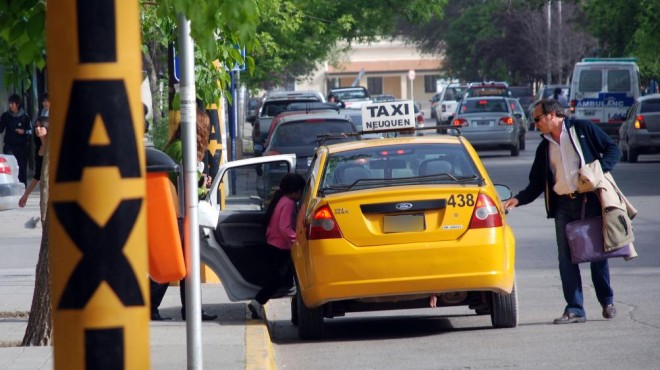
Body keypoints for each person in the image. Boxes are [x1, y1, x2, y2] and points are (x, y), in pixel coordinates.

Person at [502, 99, 619, 324]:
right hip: (563, 206)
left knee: (598, 254)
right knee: (566, 258)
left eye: (537, 119)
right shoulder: (544, 147)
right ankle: (575, 309)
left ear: (552, 115)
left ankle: (607, 301)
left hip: (590, 201)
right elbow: (536, 183)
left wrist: (598, 171)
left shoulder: (582, 129)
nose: (535, 123)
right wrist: (517, 199)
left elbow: (612, 149)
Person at [149, 109, 217, 321]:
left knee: (187, 263)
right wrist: (202, 189)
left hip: (178, 210)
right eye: (207, 128)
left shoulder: (178, 146)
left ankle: (190, 309)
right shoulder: (182, 148)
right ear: (200, 129)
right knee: (175, 261)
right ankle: (152, 305)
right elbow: (185, 184)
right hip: (178, 212)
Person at [248, 173, 306, 319]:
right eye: (300, 192)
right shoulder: (289, 203)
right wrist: (297, 241)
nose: (300, 195)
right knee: (278, 279)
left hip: (274, 243)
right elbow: (284, 227)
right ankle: (257, 301)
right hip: (281, 246)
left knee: (285, 280)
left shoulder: (281, 199)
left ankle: (296, 312)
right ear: (295, 191)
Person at [0, 94, 32, 185]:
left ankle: (23, 187)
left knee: (21, 168)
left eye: (12, 103)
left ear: (17, 104)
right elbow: (1, 129)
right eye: (9, 103)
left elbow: (30, 131)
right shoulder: (5, 116)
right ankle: (9, 186)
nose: (10, 105)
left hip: (22, 147)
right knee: (9, 167)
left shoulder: (25, 116)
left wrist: (24, 131)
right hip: (9, 146)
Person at [18, 116, 48, 208]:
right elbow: (37, 176)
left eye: (41, 126)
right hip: (44, 190)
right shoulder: (38, 149)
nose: (38, 129)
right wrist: (25, 195)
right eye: (36, 126)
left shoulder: (54, 146)